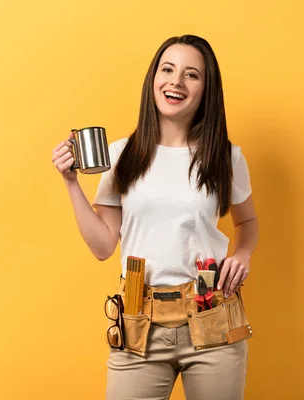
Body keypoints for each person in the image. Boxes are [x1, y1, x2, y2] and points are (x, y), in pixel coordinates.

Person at [51, 34, 259, 400]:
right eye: (167, 69)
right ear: (153, 79)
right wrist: (71, 183)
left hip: (212, 313)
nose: (176, 82)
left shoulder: (225, 156)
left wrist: (242, 254)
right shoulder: (122, 155)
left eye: (191, 75)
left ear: (206, 90)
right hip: (138, 322)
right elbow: (102, 246)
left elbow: (248, 222)